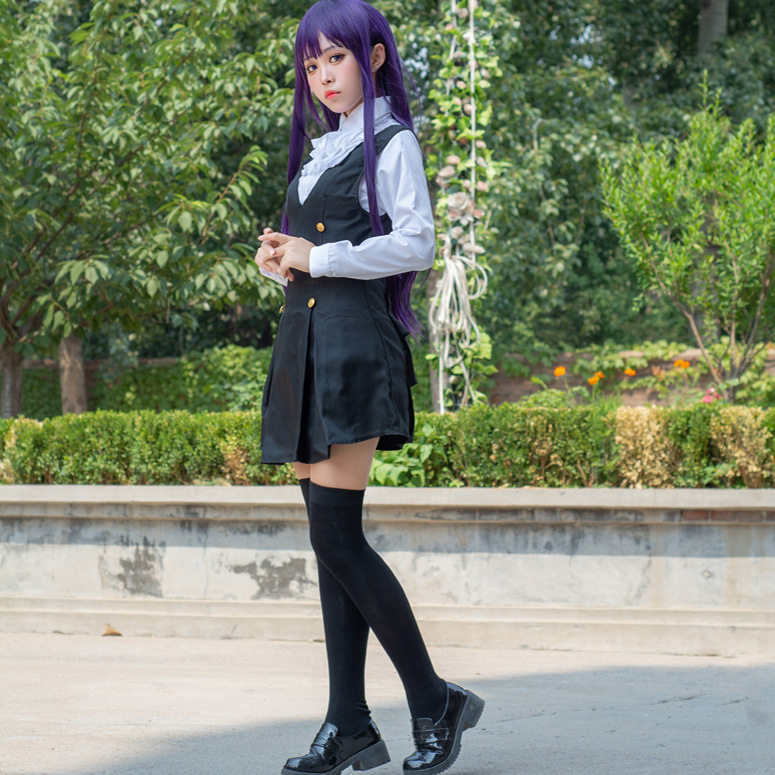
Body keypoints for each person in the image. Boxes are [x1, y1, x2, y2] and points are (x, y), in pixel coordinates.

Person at [254, 1, 484, 773]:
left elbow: (415, 242)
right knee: (329, 542)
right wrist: (282, 260)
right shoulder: (324, 150)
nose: (322, 76)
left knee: (335, 536)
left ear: (373, 57)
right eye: (311, 63)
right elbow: (320, 254)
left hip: (353, 348)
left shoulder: (391, 140)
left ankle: (432, 699)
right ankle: (348, 720)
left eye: (336, 58)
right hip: (306, 343)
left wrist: (315, 257)